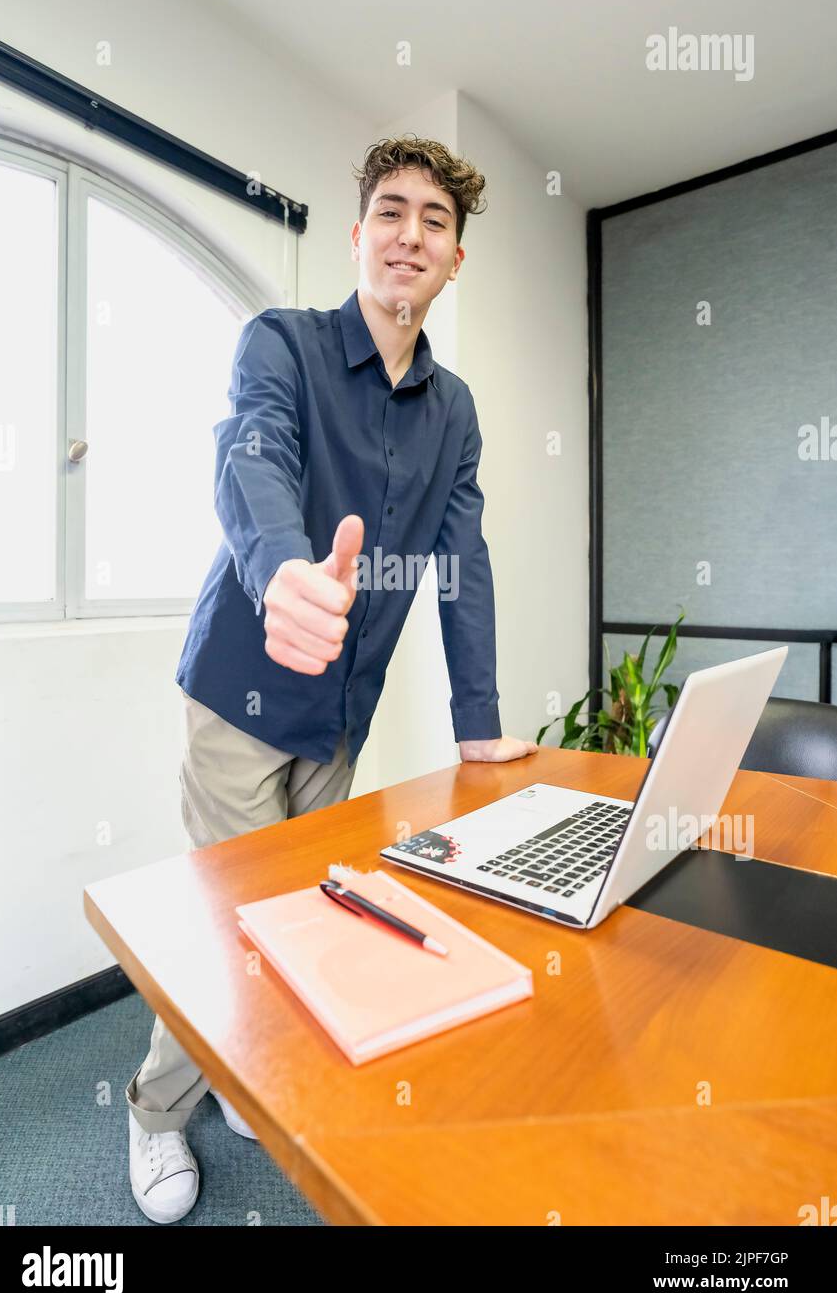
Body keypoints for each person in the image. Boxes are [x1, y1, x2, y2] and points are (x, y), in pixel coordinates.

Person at [126, 134, 538, 1223]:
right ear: (356, 238)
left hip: (339, 714)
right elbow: (247, 451)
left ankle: (244, 1065)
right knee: (226, 917)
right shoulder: (283, 344)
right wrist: (283, 572)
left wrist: (478, 720)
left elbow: (463, 561)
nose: (410, 233)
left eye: (434, 221)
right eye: (389, 212)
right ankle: (156, 1109)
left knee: (307, 915)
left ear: (454, 260)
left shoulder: (452, 413)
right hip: (240, 692)